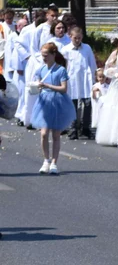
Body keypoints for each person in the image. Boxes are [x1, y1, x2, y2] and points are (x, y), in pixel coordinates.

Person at [31, 42, 76, 174]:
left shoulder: (61, 70)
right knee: (44, 133)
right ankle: (46, 160)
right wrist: (35, 87)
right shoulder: (40, 69)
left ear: (53, 54)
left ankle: (54, 163)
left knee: (56, 134)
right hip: (44, 102)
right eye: (42, 55)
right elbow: (38, 86)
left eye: (46, 55)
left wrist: (47, 86)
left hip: (58, 102)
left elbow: (63, 89)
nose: (44, 58)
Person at [95, 30, 118, 147]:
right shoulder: (115, 53)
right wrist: (115, 74)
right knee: (116, 109)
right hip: (117, 85)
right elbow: (106, 69)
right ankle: (113, 136)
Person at [62, 26, 96, 140]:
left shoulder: (87, 48)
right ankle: (73, 128)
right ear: (70, 36)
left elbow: (92, 63)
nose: (77, 40)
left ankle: (85, 128)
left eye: (79, 38)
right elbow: (63, 66)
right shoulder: (66, 50)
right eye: (75, 38)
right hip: (72, 80)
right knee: (73, 104)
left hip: (85, 78)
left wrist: (95, 79)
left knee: (87, 103)